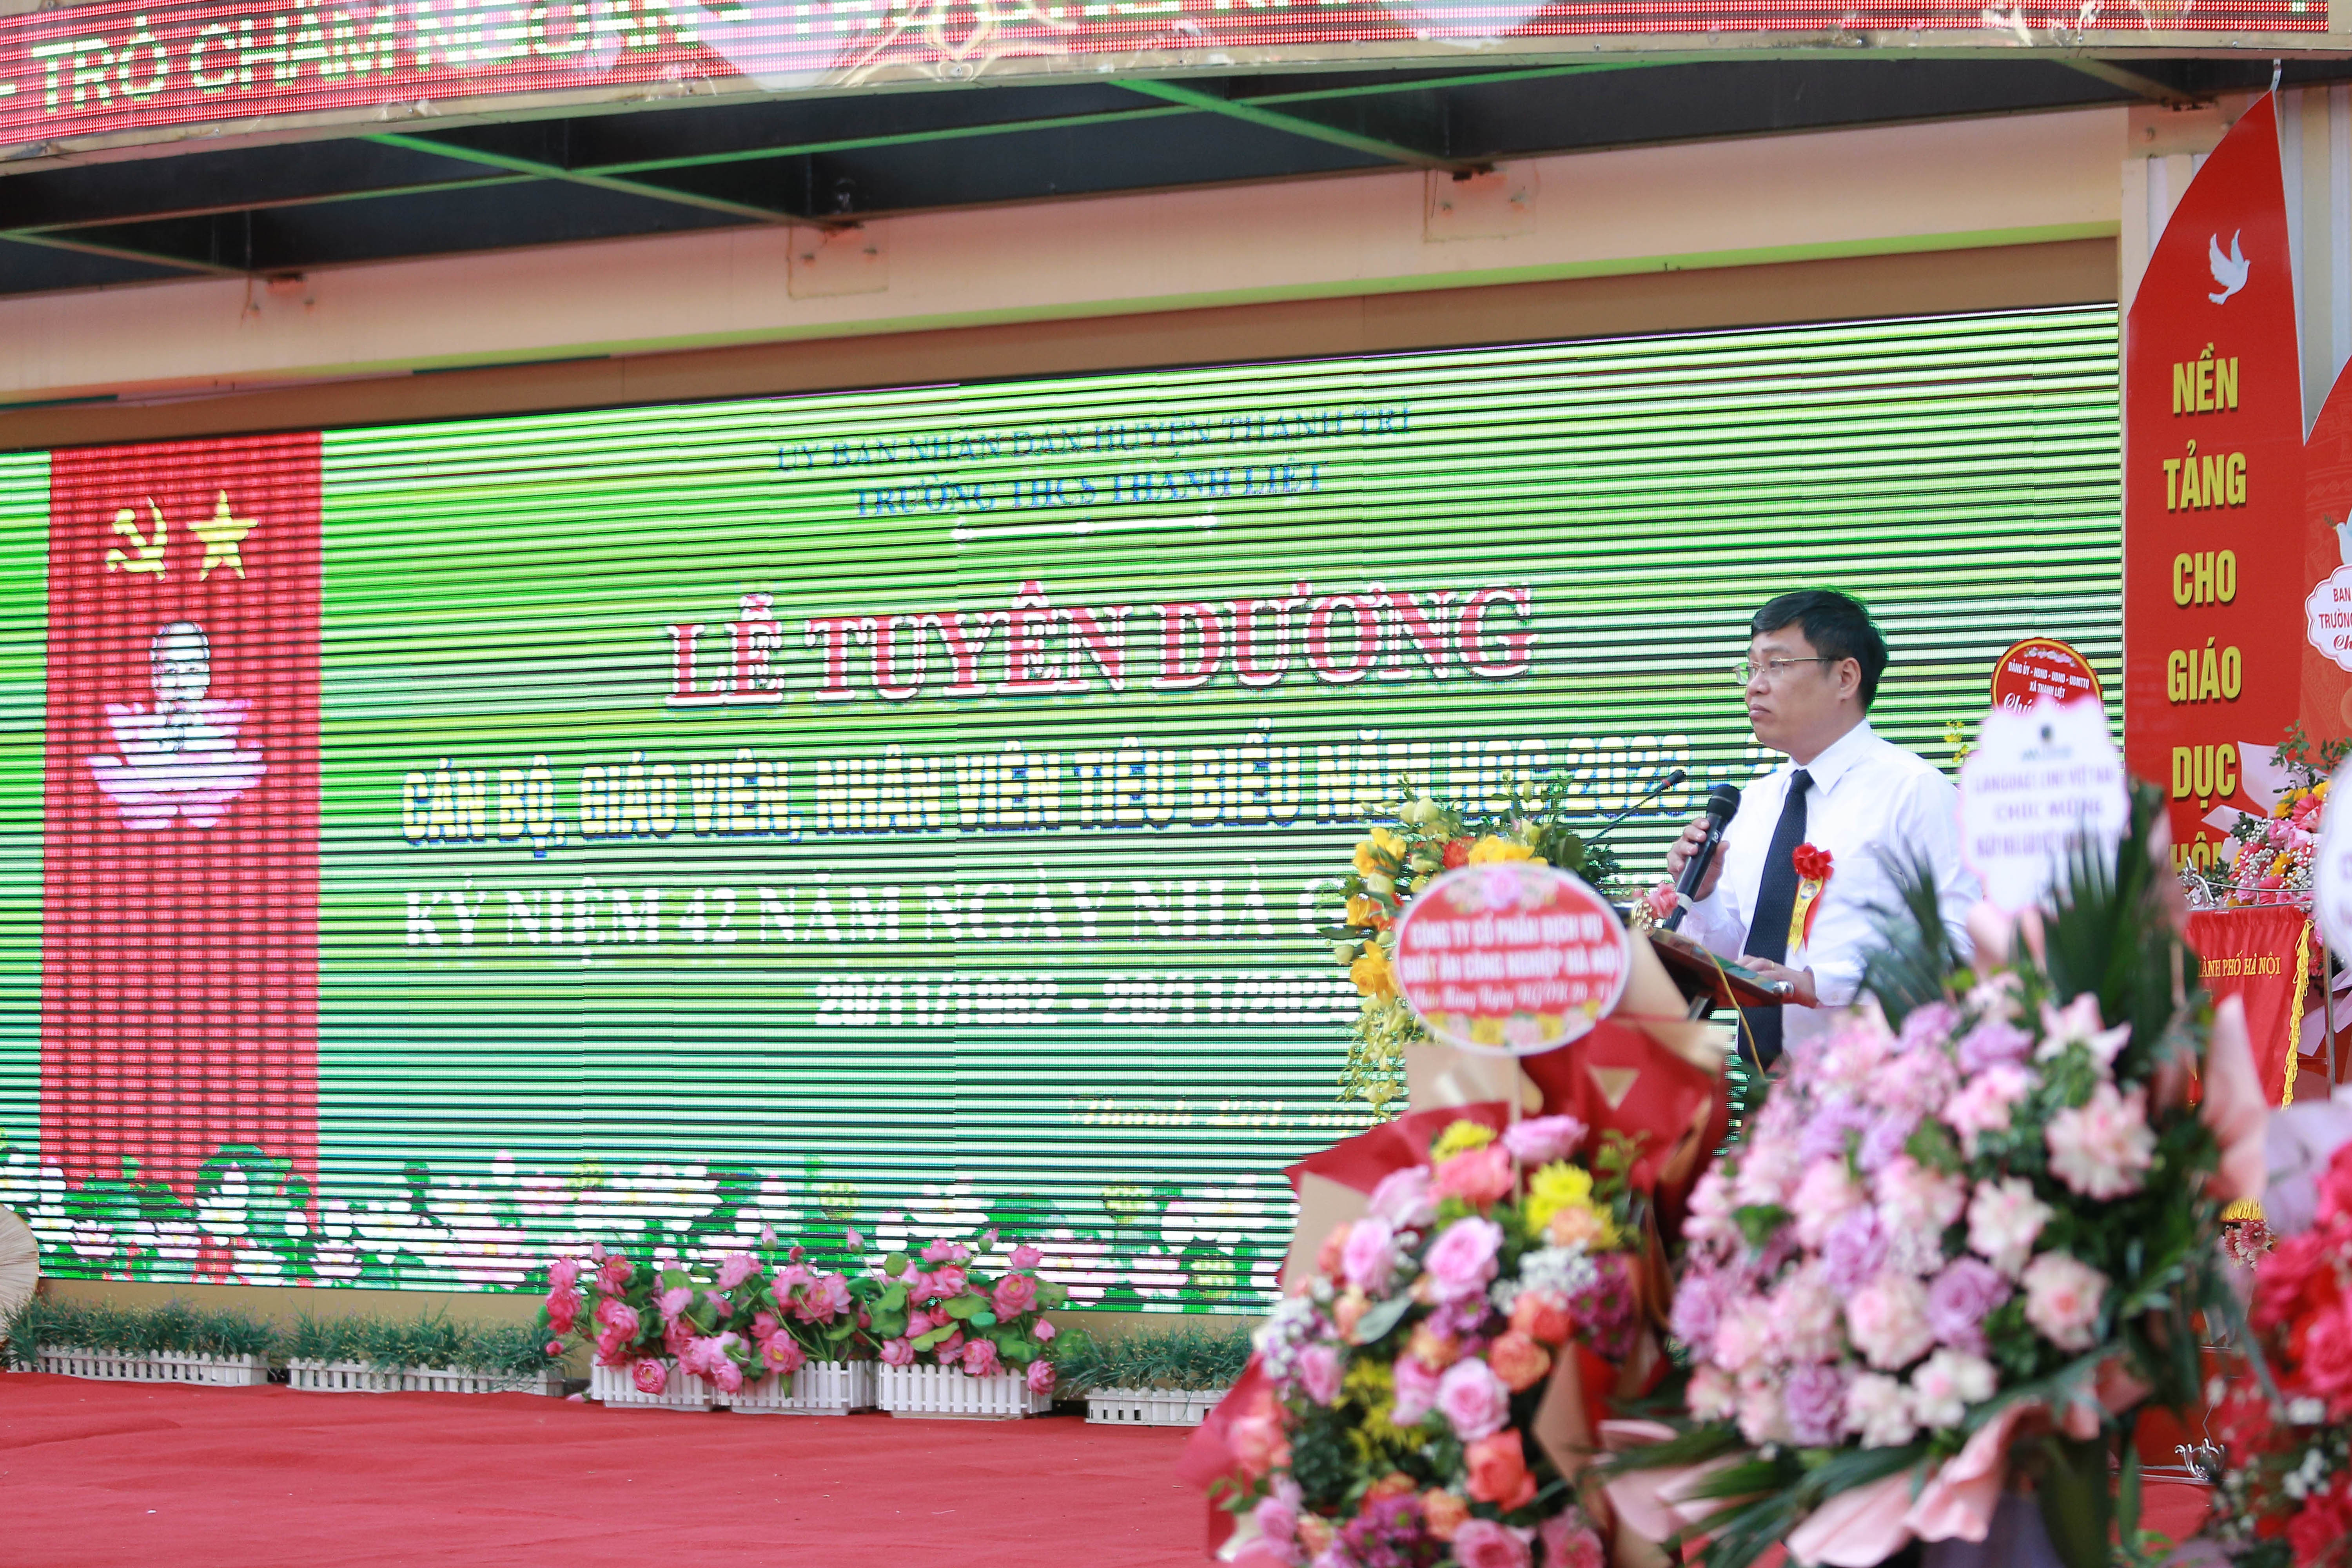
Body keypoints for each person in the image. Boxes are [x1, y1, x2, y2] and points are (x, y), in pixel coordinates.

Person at [1664, 590, 1977, 1067]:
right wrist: (1702, 894)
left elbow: (1961, 946)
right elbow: (1735, 956)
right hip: (1763, 1087)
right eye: (1751, 668)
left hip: (1878, 1082)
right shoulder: (1754, 803)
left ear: (1845, 677)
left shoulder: (1913, 792)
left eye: (1776, 666)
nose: (1755, 687)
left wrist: (1820, 984)